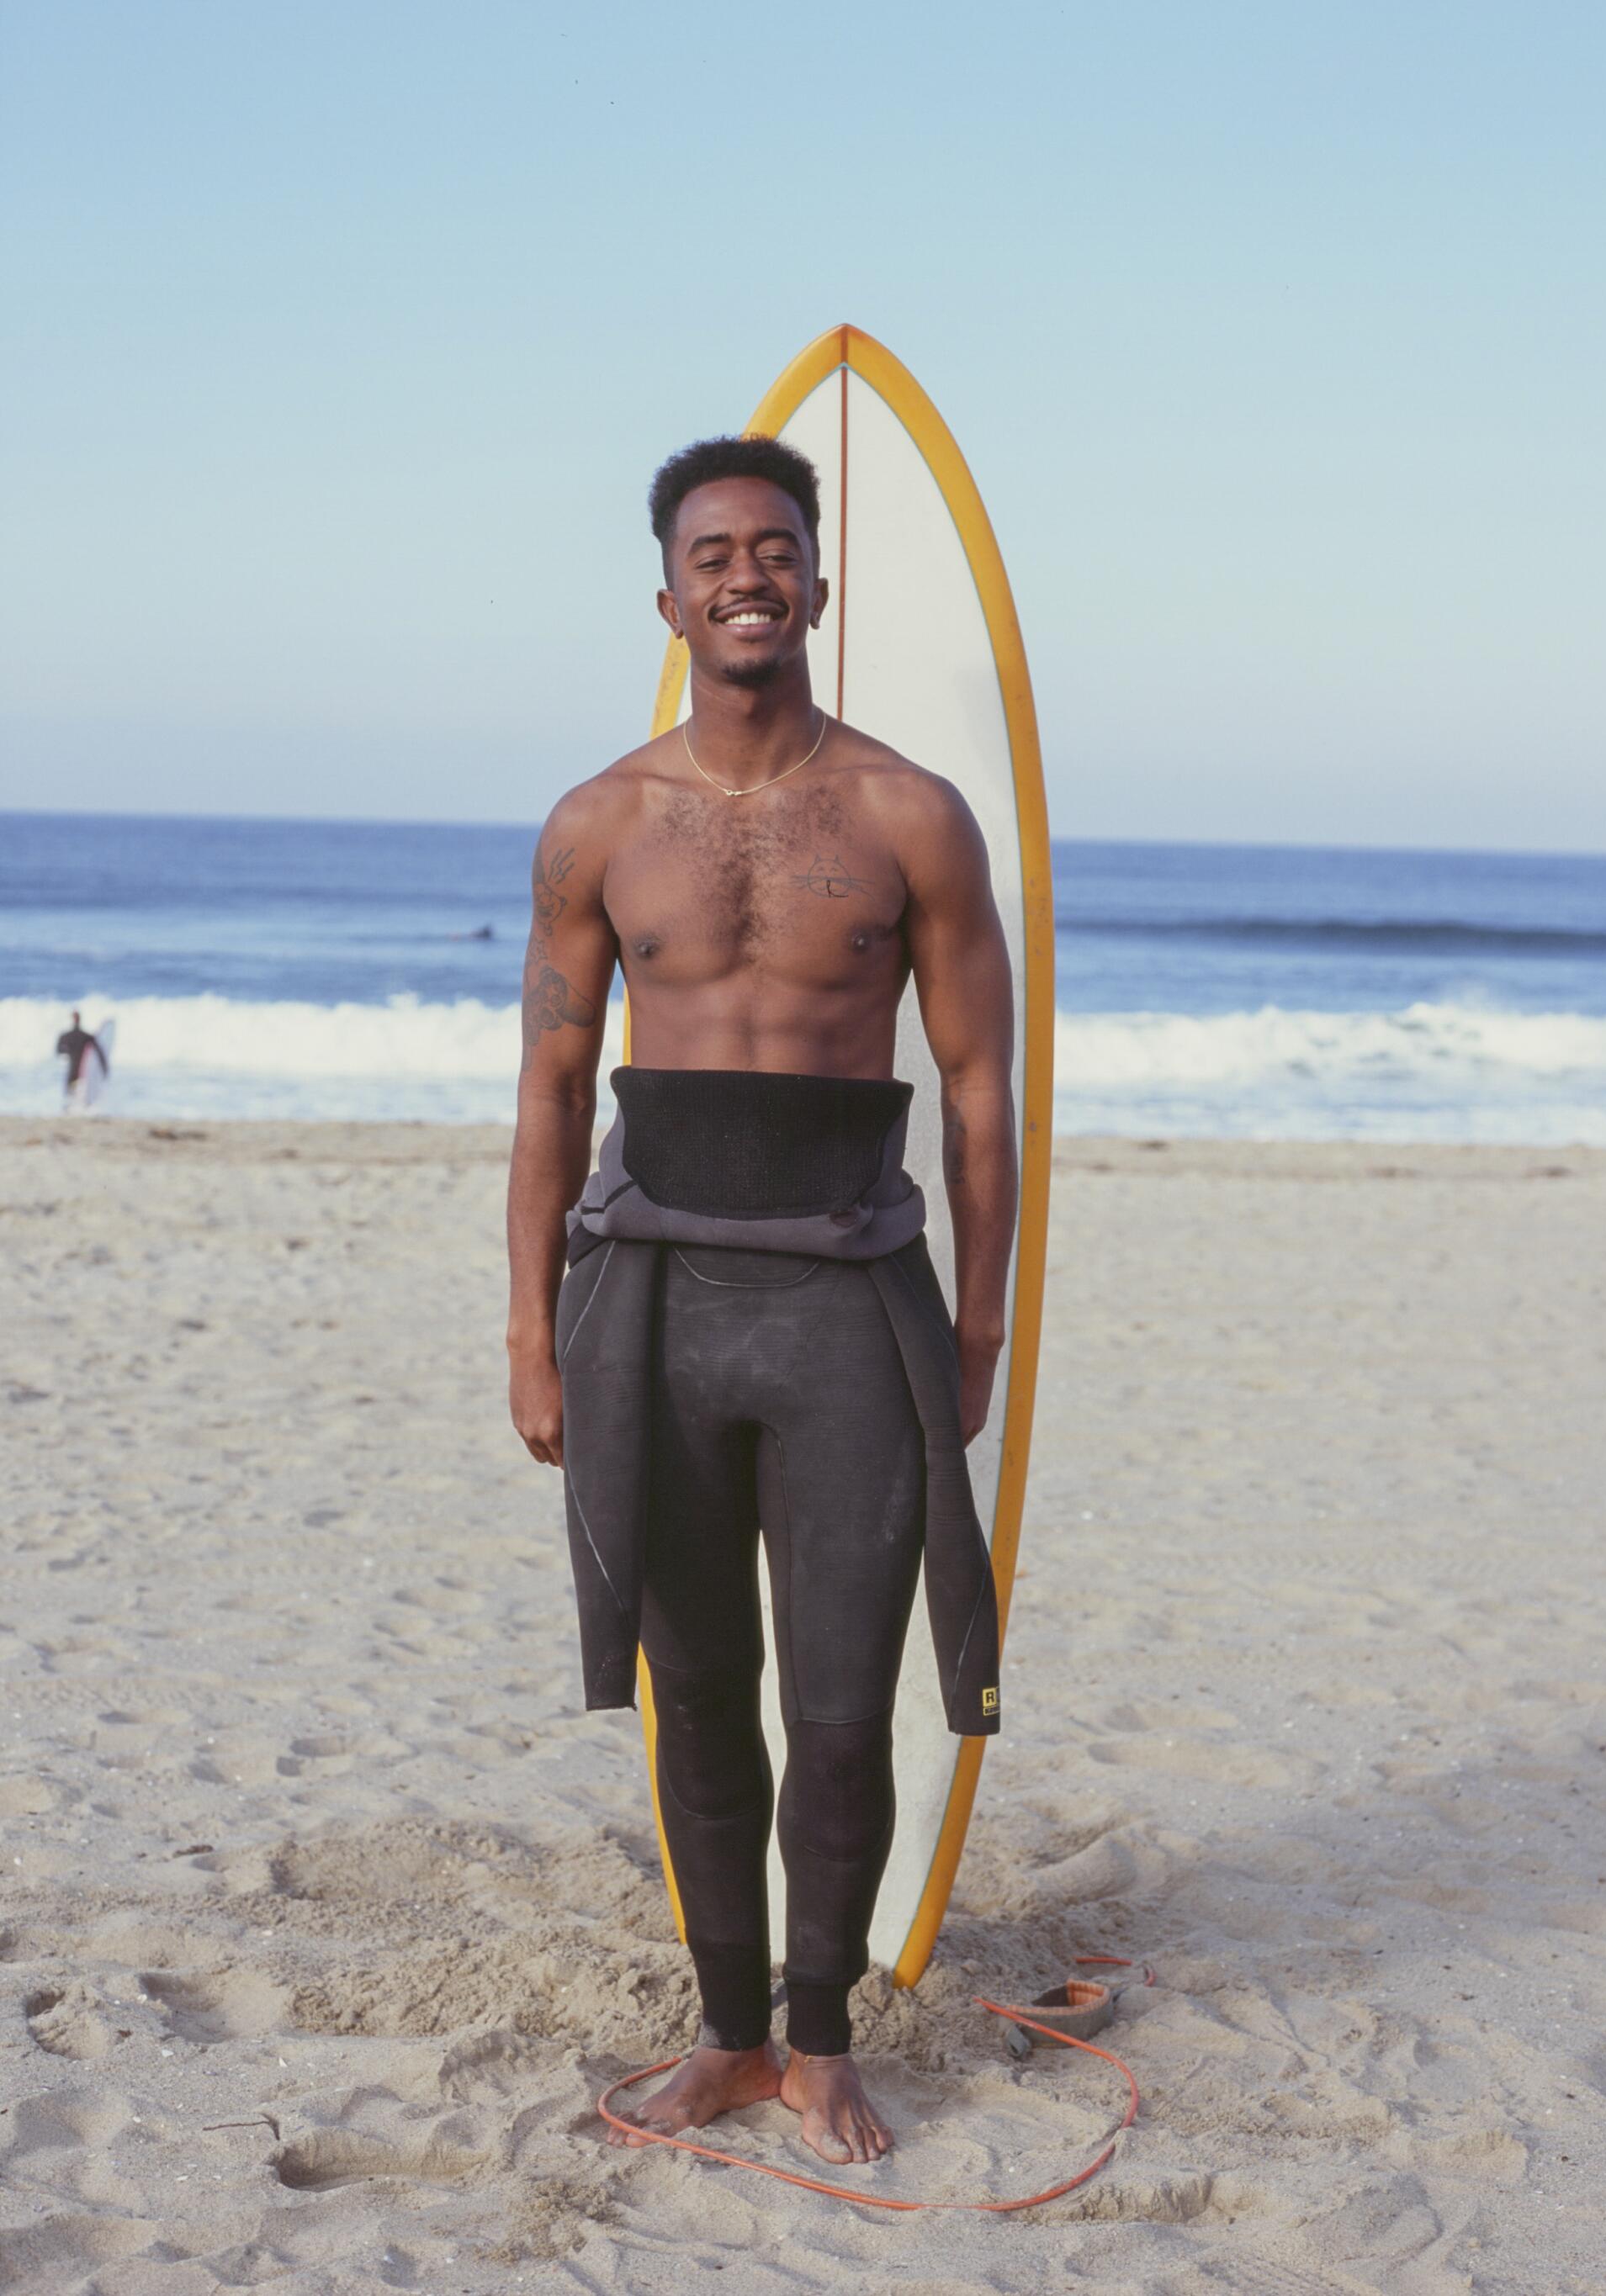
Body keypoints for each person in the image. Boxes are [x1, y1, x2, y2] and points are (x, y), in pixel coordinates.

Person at [506, 433, 1016, 2166]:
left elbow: (976, 1092)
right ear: (671, 596)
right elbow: (550, 1097)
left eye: (776, 546)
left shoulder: (904, 818)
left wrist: (980, 1330)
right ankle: (726, 2032)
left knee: (836, 1695)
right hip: (645, 1298)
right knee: (696, 1684)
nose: (748, 572)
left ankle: (819, 2037)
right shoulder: (598, 824)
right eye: (714, 550)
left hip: (844, 1303)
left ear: (816, 581)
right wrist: (528, 1330)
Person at [56, 1009, 107, 1109]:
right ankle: (82, 1108)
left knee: (70, 1093)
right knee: (83, 1094)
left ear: (72, 1019)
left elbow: (58, 1051)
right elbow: (99, 1052)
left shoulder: (65, 1036)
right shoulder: (87, 1037)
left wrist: (67, 1053)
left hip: (72, 1069)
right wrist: (104, 1067)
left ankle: (69, 1109)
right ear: (80, 1019)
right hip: (83, 1071)